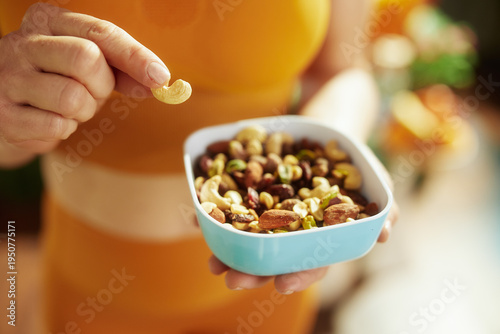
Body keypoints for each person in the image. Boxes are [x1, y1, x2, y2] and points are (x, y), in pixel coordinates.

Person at [0, 1, 398, 333]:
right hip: (93, 289)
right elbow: (11, 150)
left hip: (272, 288)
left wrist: (338, 155)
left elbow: (341, 70)